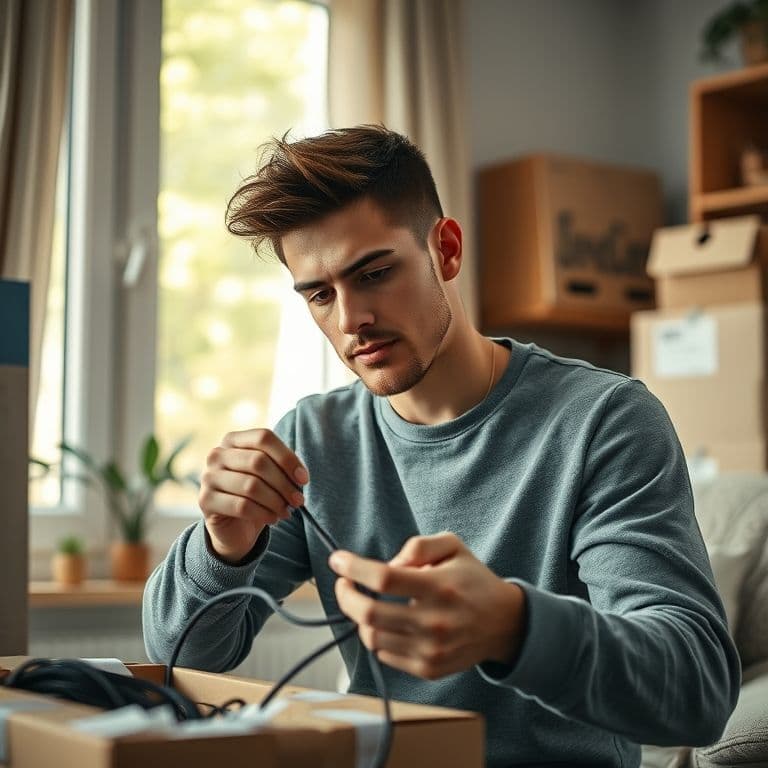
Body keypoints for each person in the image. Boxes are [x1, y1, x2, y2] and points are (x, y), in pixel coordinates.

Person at [143, 125, 740, 768]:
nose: (350, 321)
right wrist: (222, 546)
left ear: (446, 250)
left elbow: (697, 692)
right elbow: (177, 653)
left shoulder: (605, 420)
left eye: (373, 273)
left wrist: (514, 627)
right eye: (320, 294)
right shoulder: (314, 438)